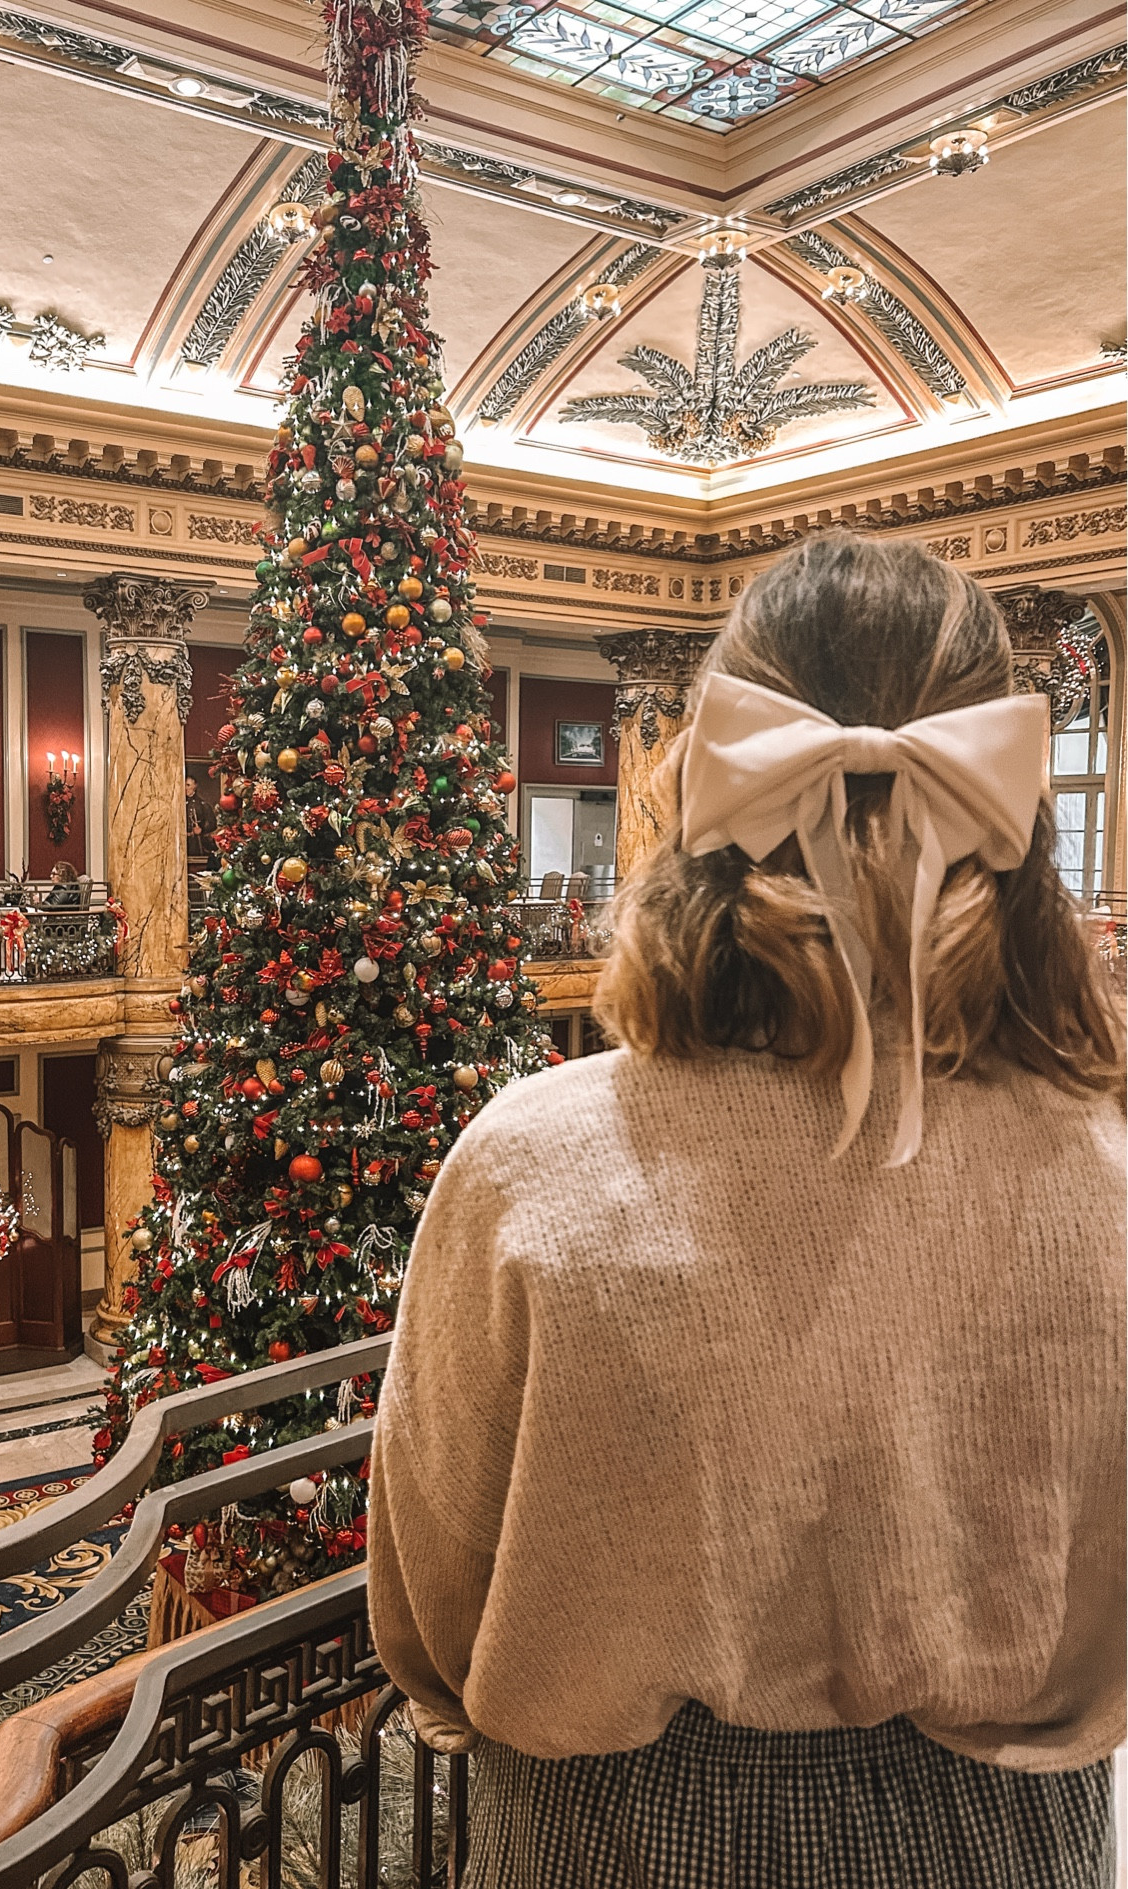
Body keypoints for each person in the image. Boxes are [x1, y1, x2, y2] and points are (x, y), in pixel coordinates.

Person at [368, 534, 1125, 1889]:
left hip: (605, 1836)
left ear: (699, 798)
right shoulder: (1111, 1178)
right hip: (1010, 1841)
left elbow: (435, 1590)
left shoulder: (527, 1166)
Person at [185, 774, 217, 869]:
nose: (185, 788)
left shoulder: (202, 805)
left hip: (197, 843)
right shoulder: (179, 803)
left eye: (188, 785)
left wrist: (201, 829)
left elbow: (212, 823)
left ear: (195, 786)